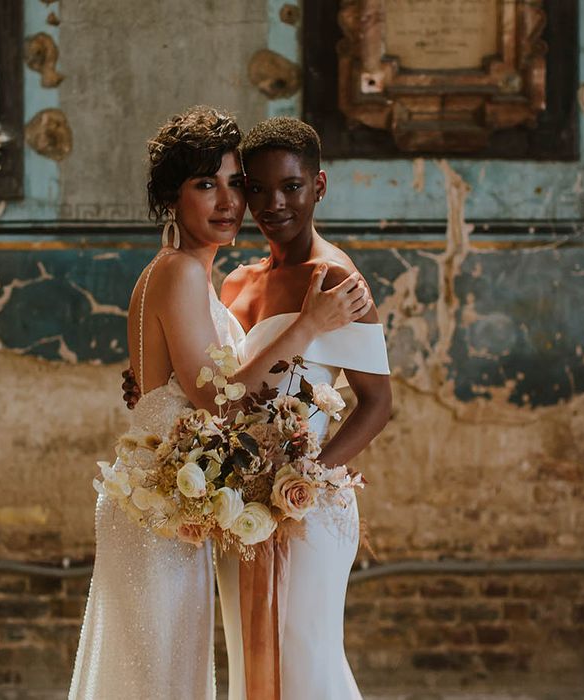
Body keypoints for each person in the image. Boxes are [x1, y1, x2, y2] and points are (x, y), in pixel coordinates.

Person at [69, 106, 372, 700]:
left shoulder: (194, 276)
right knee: (158, 681)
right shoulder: (180, 272)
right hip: (154, 518)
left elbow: (177, 387)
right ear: (170, 197)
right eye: (205, 183)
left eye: (237, 183)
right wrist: (308, 326)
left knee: (169, 677)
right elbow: (215, 403)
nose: (229, 201)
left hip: (164, 509)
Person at [215, 117, 393, 700]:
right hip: (238, 502)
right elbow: (227, 394)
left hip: (306, 506)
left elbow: (377, 403)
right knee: (251, 658)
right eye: (257, 188)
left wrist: (308, 479)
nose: (273, 203)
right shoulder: (235, 282)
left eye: (291, 187)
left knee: (305, 656)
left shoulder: (336, 279)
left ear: (319, 186)